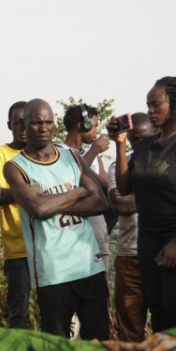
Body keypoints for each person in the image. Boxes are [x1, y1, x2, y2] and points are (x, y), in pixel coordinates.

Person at [110, 78, 176, 341]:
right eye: (148, 105)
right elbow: (123, 188)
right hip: (149, 235)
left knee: (174, 302)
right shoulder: (143, 145)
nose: (150, 110)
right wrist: (120, 144)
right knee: (157, 306)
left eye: (156, 104)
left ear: (174, 104)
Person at [5, 100, 110, 339]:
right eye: (37, 123)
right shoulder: (15, 167)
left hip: (88, 265)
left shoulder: (72, 157)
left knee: (99, 343)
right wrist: (79, 191)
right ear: (25, 125)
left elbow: (100, 203)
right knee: (56, 347)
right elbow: (39, 210)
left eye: (48, 122)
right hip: (52, 272)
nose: (43, 128)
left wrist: (54, 203)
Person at [107, 113, 154, 342]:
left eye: (144, 138)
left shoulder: (165, 165)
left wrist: (133, 200)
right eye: (134, 139)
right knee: (129, 329)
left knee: (165, 324)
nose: (139, 144)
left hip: (158, 254)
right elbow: (119, 206)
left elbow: (127, 201)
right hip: (128, 255)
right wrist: (159, 198)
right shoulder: (118, 165)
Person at [0, 102, 31, 329]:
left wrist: (17, 191)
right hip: (16, 249)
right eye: (18, 123)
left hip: (49, 247)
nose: (24, 127)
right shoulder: (0, 154)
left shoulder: (47, 152)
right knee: (18, 313)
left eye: (28, 122)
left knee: (53, 309)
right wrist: (33, 192)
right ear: (9, 125)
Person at [63, 103, 111, 262]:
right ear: (82, 125)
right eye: (95, 126)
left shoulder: (94, 157)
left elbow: (107, 188)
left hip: (97, 235)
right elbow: (72, 177)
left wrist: (89, 170)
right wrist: (94, 150)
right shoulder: (58, 153)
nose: (97, 132)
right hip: (72, 240)